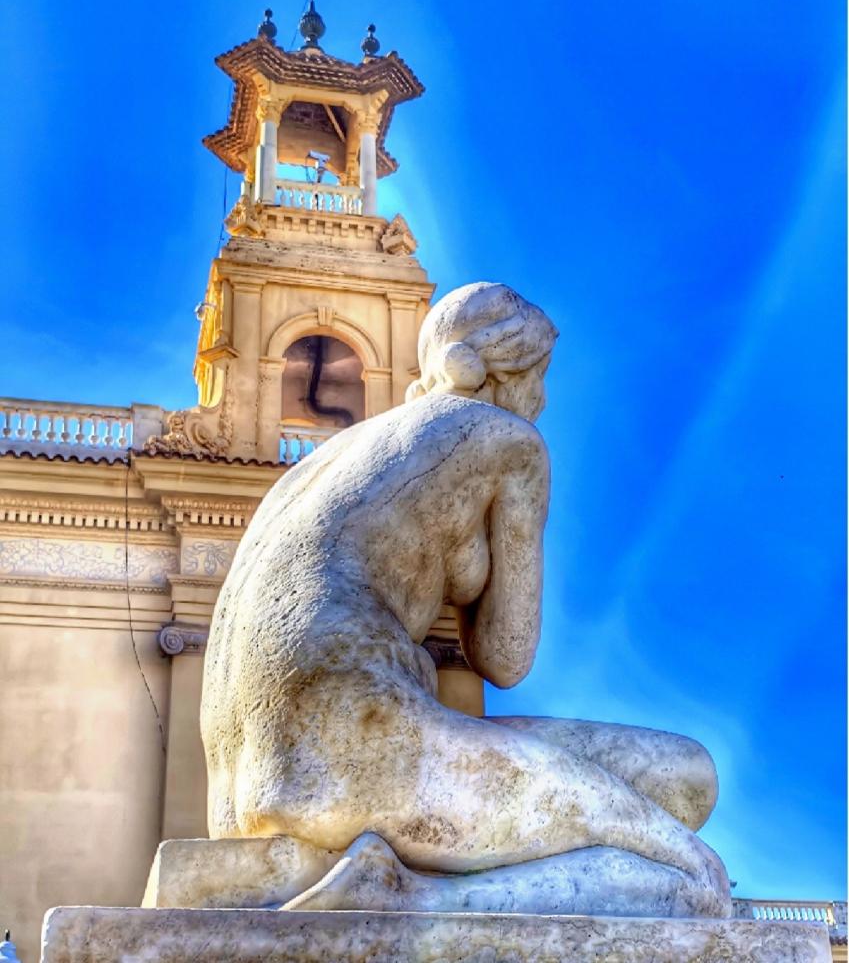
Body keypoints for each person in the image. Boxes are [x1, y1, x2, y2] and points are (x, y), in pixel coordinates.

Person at [200, 282, 730, 917]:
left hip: (249, 789)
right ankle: (406, 896)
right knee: (694, 880)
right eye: (542, 376)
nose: (544, 398)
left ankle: (412, 886)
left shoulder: (317, 465)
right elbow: (505, 658)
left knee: (685, 777)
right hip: (359, 742)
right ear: (513, 371)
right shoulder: (507, 439)